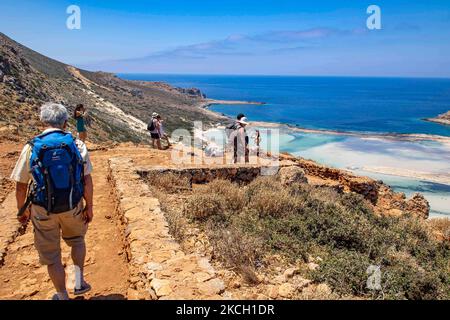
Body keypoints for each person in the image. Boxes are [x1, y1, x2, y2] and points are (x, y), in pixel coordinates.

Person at [11, 102, 94, 300]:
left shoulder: (31, 147)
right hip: (73, 205)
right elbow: (86, 179)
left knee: (52, 255)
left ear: (42, 121)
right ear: (65, 122)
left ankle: (62, 295)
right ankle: (79, 282)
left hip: (43, 209)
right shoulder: (77, 144)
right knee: (77, 241)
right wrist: (89, 207)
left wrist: (22, 210)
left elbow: (21, 184)